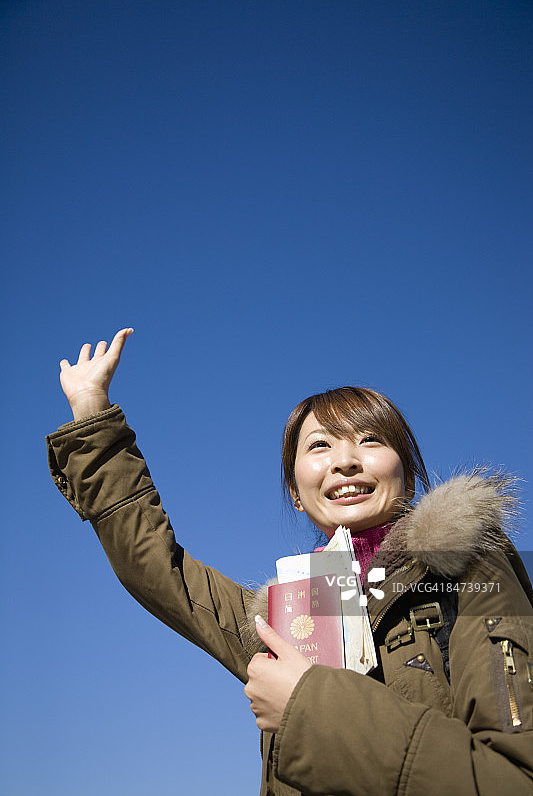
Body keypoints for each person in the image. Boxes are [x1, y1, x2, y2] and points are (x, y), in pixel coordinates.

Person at [47, 328, 533, 795]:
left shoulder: (467, 567)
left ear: (406, 478)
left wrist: (307, 706)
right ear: (297, 494)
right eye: (320, 445)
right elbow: (158, 569)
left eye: (370, 440)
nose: (344, 461)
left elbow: (513, 776)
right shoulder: (283, 617)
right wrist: (93, 413)